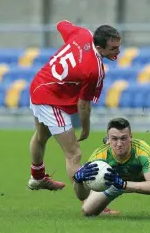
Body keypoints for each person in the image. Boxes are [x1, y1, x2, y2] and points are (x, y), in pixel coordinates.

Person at [27, 19, 121, 201]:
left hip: (38, 85)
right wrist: (85, 129)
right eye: (113, 49)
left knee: (41, 137)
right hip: (50, 99)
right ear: (100, 48)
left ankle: (37, 178)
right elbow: (83, 105)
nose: (118, 51)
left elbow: (61, 24)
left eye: (118, 46)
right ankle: (90, 204)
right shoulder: (94, 69)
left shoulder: (82, 33)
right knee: (74, 154)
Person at [73, 118, 150, 216]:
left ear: (131, 137)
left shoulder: (143, 151)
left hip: (143, 178)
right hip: (115, 181)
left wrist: (123, 185)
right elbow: (82, 196)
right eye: (114, 139)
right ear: (107, 139)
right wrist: (78, 181)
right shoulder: (98, 156)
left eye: (123, 138)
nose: (119, 144)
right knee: (87, 212)